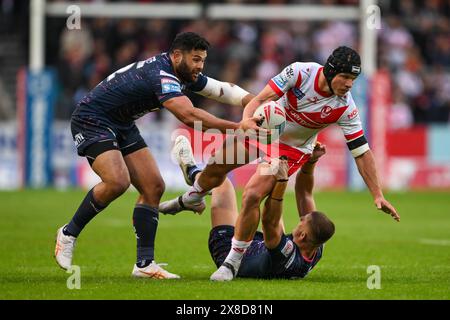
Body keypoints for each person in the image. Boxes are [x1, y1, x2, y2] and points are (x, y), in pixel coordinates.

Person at [160, 46, 400, 280]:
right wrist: (246, 123)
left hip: (289, 151)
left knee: (252, 195)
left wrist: (377, 194)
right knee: (217, 166)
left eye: (353, 79)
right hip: (266, 131)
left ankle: (231, 263)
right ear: (330, 71)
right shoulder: (300, 72)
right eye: (345, 77)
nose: (349, 84)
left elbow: (362, 151)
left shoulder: (345, 107)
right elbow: (259, 100)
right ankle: (193, 197)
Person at [54, 32, 262, 279]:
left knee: (153, 186)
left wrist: (258, 101)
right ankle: (68, 233)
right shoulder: (162, 74)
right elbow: (190, 117)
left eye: (202, 60)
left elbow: (222, 90)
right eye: (195, 59)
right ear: (176, 56)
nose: (199, 66)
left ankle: (144, 265)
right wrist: (239, 127)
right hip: (92, 119)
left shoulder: (183, 73)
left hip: (121, 123)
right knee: (117, 181)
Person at [168, 136, 334, 280]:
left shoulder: (287, 254)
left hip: (227, 248)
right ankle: (199, 191)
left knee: (221, 181)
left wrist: (282, 182)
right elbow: (305, 194)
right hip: (259, 242)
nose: (301, 218)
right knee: (269, 196)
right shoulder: (316, 245)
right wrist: (311, 161)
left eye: (302, 221)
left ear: (303, 235)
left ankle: (192, 171)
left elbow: (269, 220)